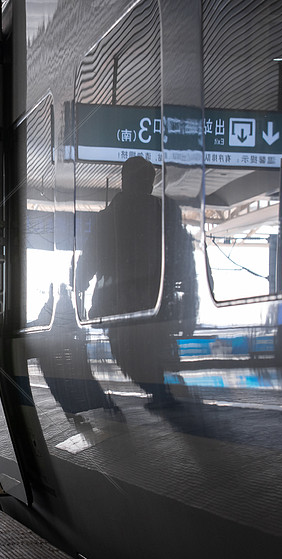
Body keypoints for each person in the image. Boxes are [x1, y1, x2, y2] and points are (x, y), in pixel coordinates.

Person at [75, 156, 196, 409]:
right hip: (158, 304)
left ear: (123, 181)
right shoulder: (166, 214)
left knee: (130, 357)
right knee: (152, 355)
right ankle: (163, 393)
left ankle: (160, 393)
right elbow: (185, 259)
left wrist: (79, 289)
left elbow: (89, 260)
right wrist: (190, 303)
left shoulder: (109, 217)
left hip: (119, 307)